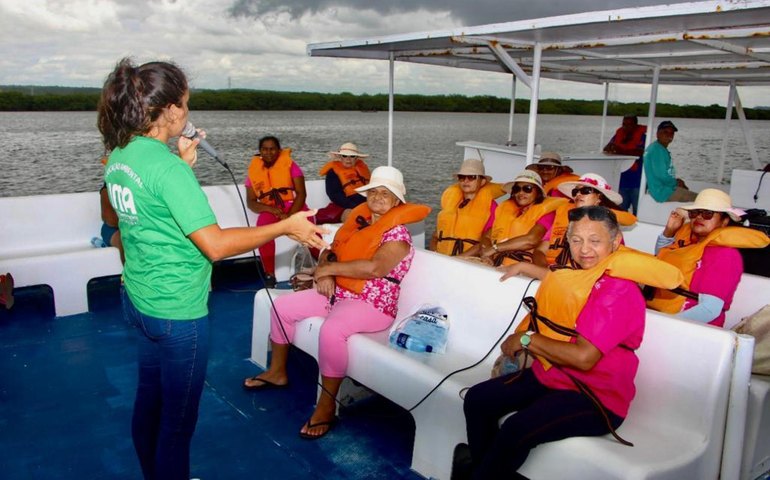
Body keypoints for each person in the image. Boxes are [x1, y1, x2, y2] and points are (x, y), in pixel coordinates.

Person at [97, 58, 328, 480]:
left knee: (149, 402)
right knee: (177, 424)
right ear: (168, 111)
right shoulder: (165, 169)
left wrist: (182, 163)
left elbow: (148, 212)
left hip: (139, 299)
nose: (187, 113)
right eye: (184, 104)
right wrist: (287, 225)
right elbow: (216, 245)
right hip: (177, 313)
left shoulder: (120, 154)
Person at [463, 206, 683, 479]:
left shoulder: (619, 290)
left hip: (595, 397)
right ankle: (484, 471)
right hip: (553, 376)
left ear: (615, 243)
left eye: (595, 240)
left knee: (517, 429)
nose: (584, 249)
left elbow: (584, 358)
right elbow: (554, 279)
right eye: (576, 240)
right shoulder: (581, 276)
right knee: (477, 399)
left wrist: (526, 339)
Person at [243, 166, 430, 440]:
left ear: (397, 201)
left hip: (373, 305)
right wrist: (327, 267)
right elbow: (330, 251)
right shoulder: (357, 223)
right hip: (338, 293)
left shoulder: (398, 236)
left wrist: (329, 271)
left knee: (331, 330)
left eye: (386, 193)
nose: (378, 197)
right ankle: (277, 371)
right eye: (374, 191)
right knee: (281, 307)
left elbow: (375, 268)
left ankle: (327, 405)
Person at [648, 189, 769, 327]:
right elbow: (662, 259)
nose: (699, 217)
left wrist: (662, 324)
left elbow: (710, 310)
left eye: (707, 213)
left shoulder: (725, 255)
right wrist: (669, 231)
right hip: (666, 315)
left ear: (724, 221)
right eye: (695, 213)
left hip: (693, 329)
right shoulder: (691, 244)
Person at [245, 135, 312, 287]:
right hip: (271, 209)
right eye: (264, 149)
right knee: (263, 229)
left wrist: (289, 217)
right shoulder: (254, 172)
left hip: (293, 205)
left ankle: (325, 266)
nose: (268, 152)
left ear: (279, 150)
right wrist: (271, 209)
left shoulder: (291, 165)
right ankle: (270, 274)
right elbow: (251, 202)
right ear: (260, 151)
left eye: (272, 149)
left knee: (309, 230)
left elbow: (301, 193)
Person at [461, 170, 566, 266]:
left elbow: (532, 240)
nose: (521, 193)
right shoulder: (508, 212)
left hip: (519, 269)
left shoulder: (547, 213)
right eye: (517, 189)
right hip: (497, 263)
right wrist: (487, 255)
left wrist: (495, 248)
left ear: (538, 192)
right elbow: (487, 237)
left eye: (527, 189)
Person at [535, 173, 636, 268]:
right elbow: (540, 251)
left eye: (586, 191)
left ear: (599, 197)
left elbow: (610, 262)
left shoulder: (608, 226)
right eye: (575, 192)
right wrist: (544, 270)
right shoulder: (562, 216)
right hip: (551, 269)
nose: (578, 194)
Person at [430, 159, 507, 256]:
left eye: (472, 177)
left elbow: (487, 241)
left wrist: (459, 259)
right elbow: (435, 236)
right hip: (442, 258)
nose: (466, 181)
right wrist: (434, 254)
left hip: (469, 262)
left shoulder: (491, 207)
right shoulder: (451, 202)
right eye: (462, 177)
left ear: (482, 182)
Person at [643, 120, 697, 203]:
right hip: (662, 192)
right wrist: (676, 183)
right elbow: (662, 175)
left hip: (661, 189)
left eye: (671, 133)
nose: (669, 135)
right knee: (700, 199)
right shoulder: (657, 150)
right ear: (658, 134)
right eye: (665, 132)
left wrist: (676, 182)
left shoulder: (656, 148)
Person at [316, 142, 371, 224]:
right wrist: (355, 207)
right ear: (340, 157)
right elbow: (334, 195)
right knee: (352, 215)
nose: (348, 159)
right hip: (343, 206)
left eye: (352, 156)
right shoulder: (333, 173)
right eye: (344, 156)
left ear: (356, 158)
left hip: (365, 204)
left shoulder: (363, 171)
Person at [603, 114, 646, 214]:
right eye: (624, 124)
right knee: (620, 211)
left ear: (636, 125)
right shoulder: (618, 135)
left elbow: (639, 152)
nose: (626, 127)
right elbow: (606, 148)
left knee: (638, 211)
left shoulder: (643, 138)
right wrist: (610, 147)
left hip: (637, 182)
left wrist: (620, 150)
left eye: (629, 124)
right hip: (621, 181)